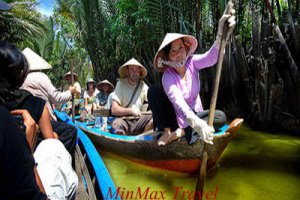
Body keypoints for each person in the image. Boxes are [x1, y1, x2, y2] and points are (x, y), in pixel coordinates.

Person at [148, 4, 236, 145]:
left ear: (186, 48)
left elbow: (211, 58)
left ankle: (182, 133)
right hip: (177, 118)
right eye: (173, 51)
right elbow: (179, 104)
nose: (178, 54)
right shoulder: (168, 76)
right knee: (153, 91)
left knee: (220, 116)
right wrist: (196, 124)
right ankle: (169, 132)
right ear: (168, 57)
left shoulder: (192, 62)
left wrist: (220, 36)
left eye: (180, 48)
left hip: (196, 114)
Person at [0, 41, 77, 200]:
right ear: (20, 74)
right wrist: (71, 92)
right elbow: (57, 98)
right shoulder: (40, 80)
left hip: (38, 124)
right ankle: (67, 170)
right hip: (42, 120)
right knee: (59, 139)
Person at [21, 47, 79, 158]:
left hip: (27, 120)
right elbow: (57, 98)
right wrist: (70, 91)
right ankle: (63, 158)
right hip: (45, 121)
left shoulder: (20, 78)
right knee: (71, 131)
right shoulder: (41, 77)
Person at [111, 58, 153, 135]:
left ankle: (141, 138)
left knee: (156, 118)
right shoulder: (121, 84)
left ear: (140, 72)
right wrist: (131, 111)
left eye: (137, 70)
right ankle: (123, 142)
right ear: (127, 71)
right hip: (124, 120)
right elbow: (114, 109)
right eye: (132, 69)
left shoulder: (142, 85)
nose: (135, 72)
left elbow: (153, 98)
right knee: (116, 124)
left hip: (139, 120)